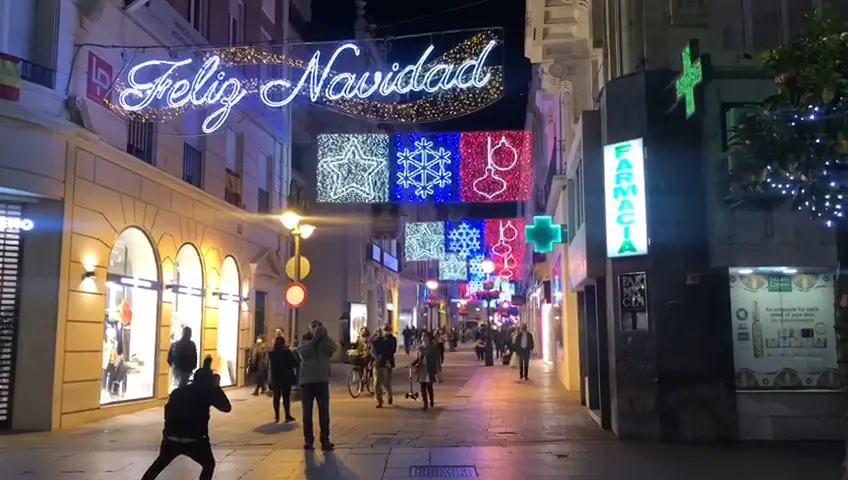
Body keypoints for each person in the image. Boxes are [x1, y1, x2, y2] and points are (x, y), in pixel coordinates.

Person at [141, 356, 231, 480]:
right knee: (208, 465)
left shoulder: (177, 392)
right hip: (194, 440)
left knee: (159, 464)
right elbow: (226, 407)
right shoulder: (207, 394)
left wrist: (168, 433)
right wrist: (216, 388)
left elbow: (167, 414)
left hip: (171, 438)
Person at [298, 321, 337, 451]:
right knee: (307, 415)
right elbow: (302, 352)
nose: (316, 329)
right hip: (307, 383)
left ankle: (325, 440)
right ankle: (308, 440)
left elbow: (333, 348)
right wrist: (314, 339)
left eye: (319, 326)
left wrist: (325, 336)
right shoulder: (305, 341)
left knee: (324, 414)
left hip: (322, 382)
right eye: (314, 327)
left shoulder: (325, 343)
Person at [268, 336, 299, 423]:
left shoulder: (271, 353)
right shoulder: (287, 352)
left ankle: (277, 415)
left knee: (276, 397)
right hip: (286, 377)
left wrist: (270, 379)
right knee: (286, 397)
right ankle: (287, 415)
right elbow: (295, 363)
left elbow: (270, 367)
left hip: (276, 377)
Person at [410, 331, 440, 410]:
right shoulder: (420, 348)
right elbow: (418, 359)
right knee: (422, 387)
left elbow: (437, 359)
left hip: (430, 369)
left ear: (428, 338)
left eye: (425, 336)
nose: (424, 338)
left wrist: (438, 371)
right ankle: (425, 403)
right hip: (422, 369)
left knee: (429, 386)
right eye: (422, 336)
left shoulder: (433, 348)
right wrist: (412, 365)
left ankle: (431, 401)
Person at [371, 326, 396, 408]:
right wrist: (375, 335)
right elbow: (372, 344)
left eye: (387, 330)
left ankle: (389, 395)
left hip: (386, 363)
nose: (385, 332)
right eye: (384, 330)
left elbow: (391, 350)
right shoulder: (378, 339)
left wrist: (386, 358)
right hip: (378, 364)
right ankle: (379, 400)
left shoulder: (391, 339)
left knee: (386, 383)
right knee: (376, 383)